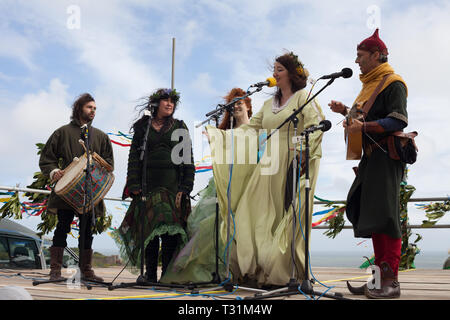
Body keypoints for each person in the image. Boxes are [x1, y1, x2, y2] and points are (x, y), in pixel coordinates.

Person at [206, 52, 325, 287]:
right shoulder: (267, 104)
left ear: (291, 73)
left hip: (292, 160)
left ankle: (282, 274)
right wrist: (221, 137)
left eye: (279, 69)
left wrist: (304, 151)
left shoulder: (304, 96)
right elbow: (251, 128)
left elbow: (316, 125)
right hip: (268, 165)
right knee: (251, 214)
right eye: (274, 69)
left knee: (285, 215)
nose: (274, 74)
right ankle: (260, 269)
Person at [329, 29, 408, 299]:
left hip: (387, 157)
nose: (357, 61)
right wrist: (344, 112)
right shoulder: (369, 85)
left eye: (361, 56)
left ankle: (391, 282)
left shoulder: (393, 83)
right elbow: (359, 118)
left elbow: (398, 121)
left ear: (376, 55)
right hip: (371, 159)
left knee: (386, 218)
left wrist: (365, 126)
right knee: (372, 217)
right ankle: (376, 281)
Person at [160, 88, 253, 284]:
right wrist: (215, 140)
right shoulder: (225, 133)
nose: (236, 106)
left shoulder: (256, 129)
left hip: (247, 184)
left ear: (248, 106)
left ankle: (241, 271)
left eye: (240, 102)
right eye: (233, 103)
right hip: (224, 183)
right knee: (209, 227)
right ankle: (213, 272)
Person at [116, 88, 195, 282]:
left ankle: (166, 275)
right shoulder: (143, 127)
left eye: (172, 102)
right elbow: (134, 157)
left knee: (170, 232)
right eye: (165, 101)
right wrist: (134, 183)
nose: (169, 104)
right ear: (155, 104)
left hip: (172, 186)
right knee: (149, 233)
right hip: (147, 186)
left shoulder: (179, 126)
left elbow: (188, 159)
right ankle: (150, 274)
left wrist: (185, 188)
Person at [39, 93, 114, 282]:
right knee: (62, 227)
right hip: (67, 192)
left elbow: (109, 164)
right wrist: (55, 171)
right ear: (79, 108)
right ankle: (55, 270)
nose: (93, 111)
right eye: (90, 107)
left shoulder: (101, 136)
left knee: (87, 230)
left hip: (90, 191)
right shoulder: (62, 132)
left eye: (95, 108)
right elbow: (47, 158)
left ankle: (86, 270)